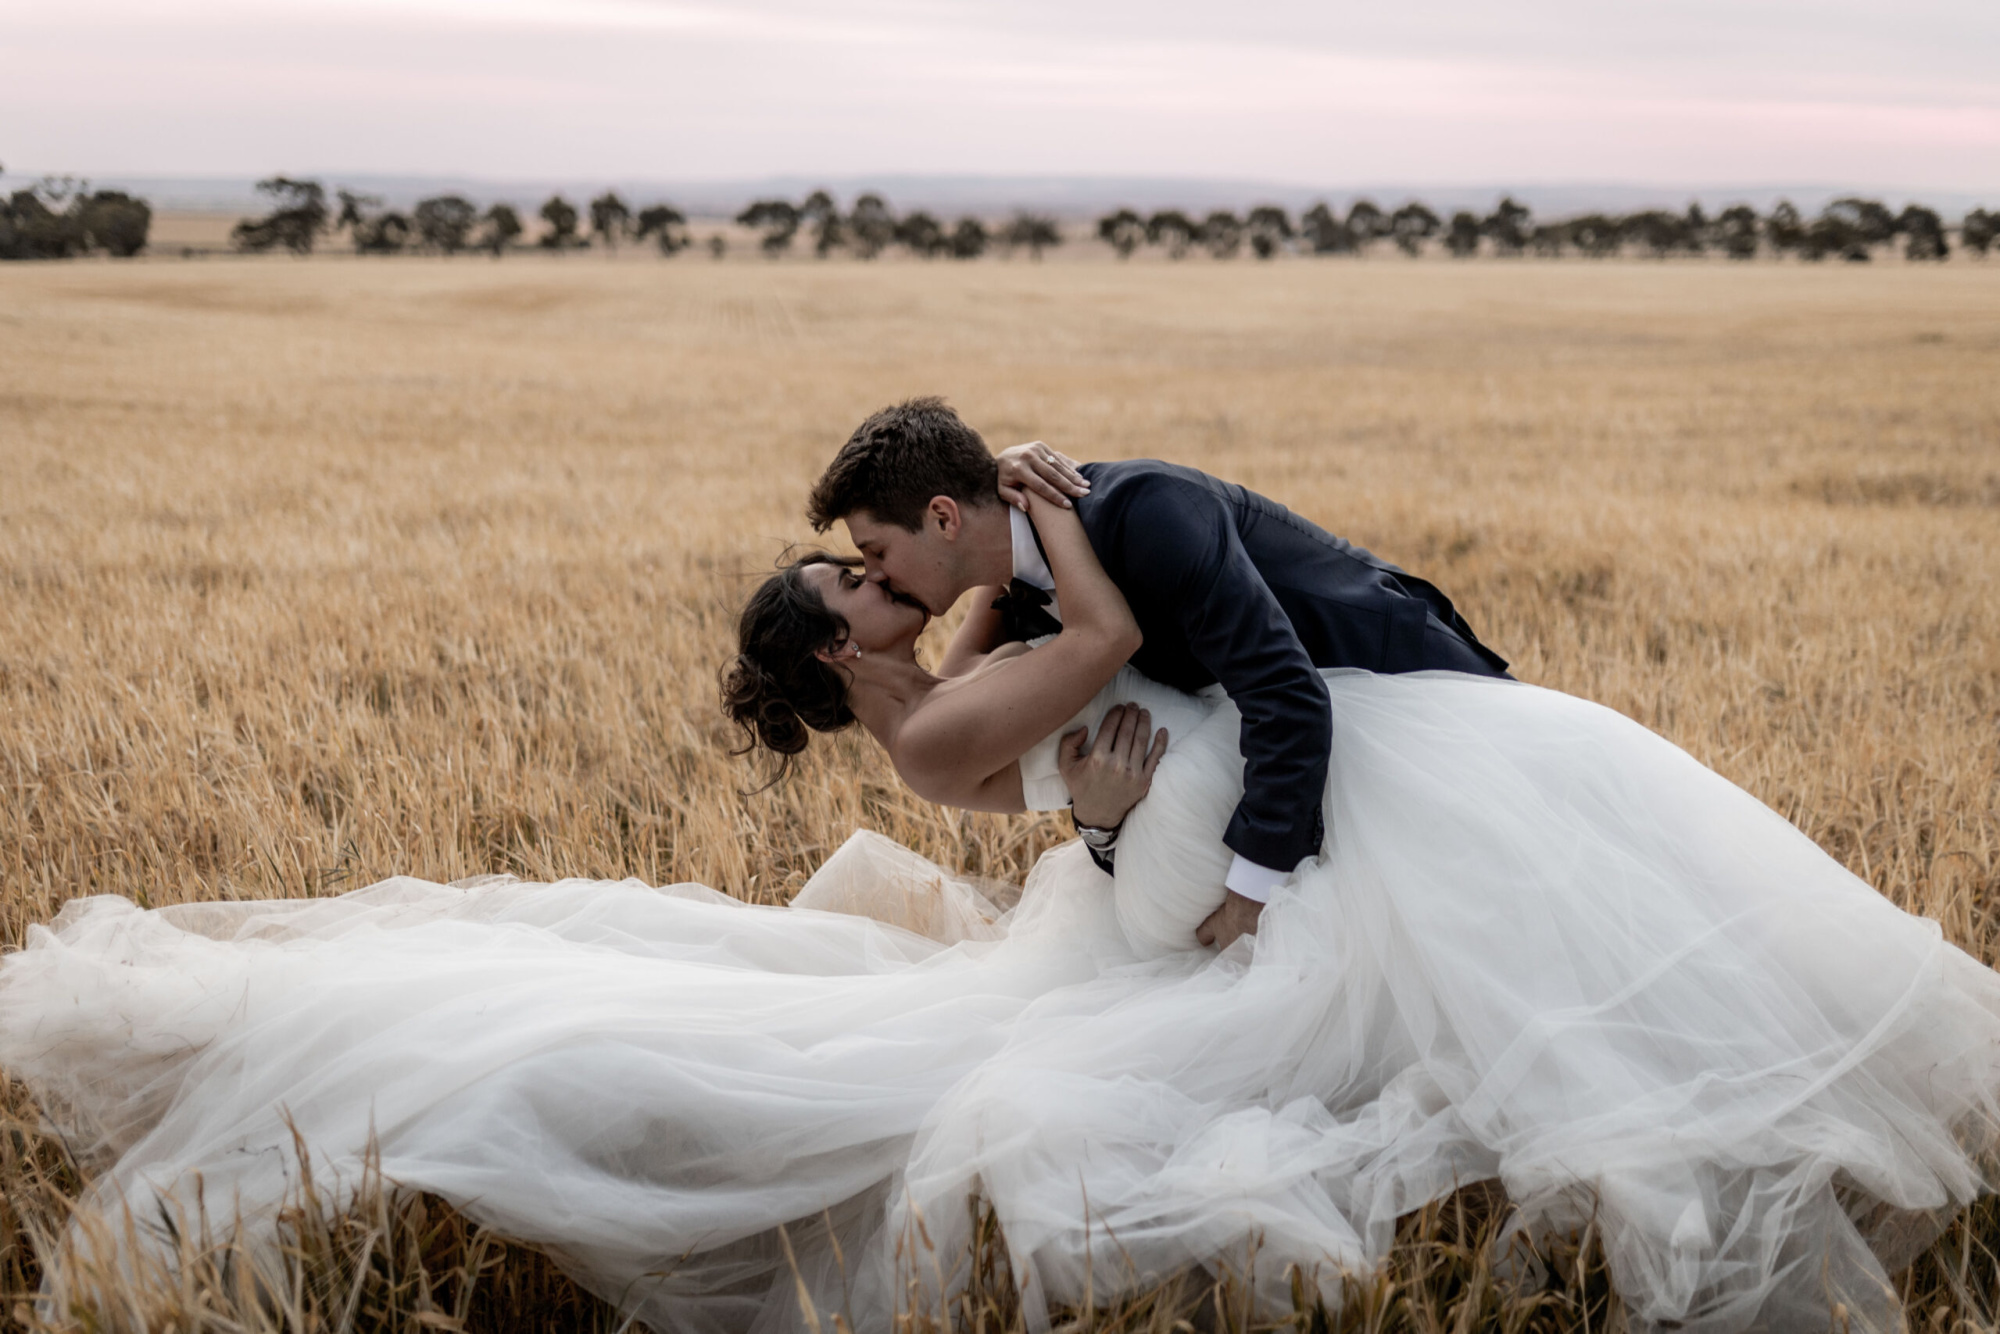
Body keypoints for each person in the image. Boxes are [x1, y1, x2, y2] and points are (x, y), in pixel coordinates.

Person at [6, 413, 2000, 1334]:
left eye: (874, 558)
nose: (876, 587)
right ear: (863, 635)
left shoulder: (959, 661)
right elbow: (1112, 663)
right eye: (855, 586)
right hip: (1185, 829)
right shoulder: (946, 700)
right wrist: (1142, 773)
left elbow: (1180, 677)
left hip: (1264, 775)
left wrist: (1099, 667)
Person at [801, 397, 1510, 951]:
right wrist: (1101, 823)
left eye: (875, 551)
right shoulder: (1026, 591)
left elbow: (1288, 697)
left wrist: (1252, 897)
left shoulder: (1145, 514)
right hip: (1296, 780)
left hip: (1407, 703)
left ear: (944, 518)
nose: (877, 575)